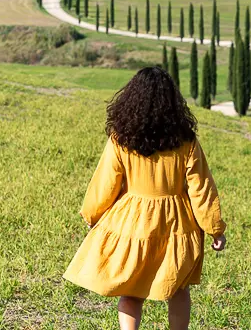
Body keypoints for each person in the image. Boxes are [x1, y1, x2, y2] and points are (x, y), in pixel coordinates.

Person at [63, 66, 227, 330]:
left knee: (131, 290)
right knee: (178, 288)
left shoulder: (122, 139)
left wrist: (92, 214)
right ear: (172, 101)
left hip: (132, 222)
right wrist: (214, 228)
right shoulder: (186, 140)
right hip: (177, 223)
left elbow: (107, 182)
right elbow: (201, 188)